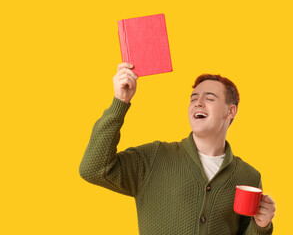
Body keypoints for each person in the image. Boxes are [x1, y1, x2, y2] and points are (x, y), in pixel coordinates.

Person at [79, 63, 275, 234]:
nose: (197, 103)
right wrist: (120, 102)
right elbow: (93, 169)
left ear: (230, 111)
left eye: (209, 98)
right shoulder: (155, 158)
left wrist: (261, 225)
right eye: (193, 98)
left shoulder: (248, 176)